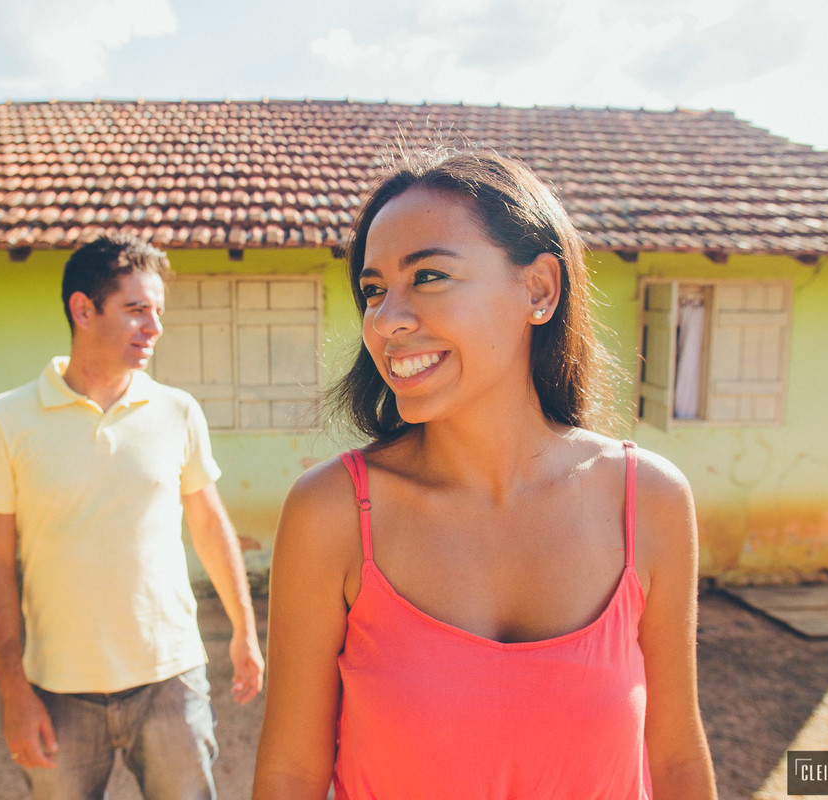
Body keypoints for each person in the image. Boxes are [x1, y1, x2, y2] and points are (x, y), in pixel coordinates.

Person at [252, 149, 717, 799]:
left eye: (431, 277)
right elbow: (290, 776)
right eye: (373, 291)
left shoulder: (648, 501)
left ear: (540, 290)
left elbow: (674, 763)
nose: (387, 321)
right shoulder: (332, 513)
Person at [0, 234, 263, 800]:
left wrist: (245, 631)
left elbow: (208, 523)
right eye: (135, 310)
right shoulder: (6, 420)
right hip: (57, 689)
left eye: (157, 312)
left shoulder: (177, 411)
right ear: (83, 309)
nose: (154, 327)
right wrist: (13, 692)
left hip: (170, 681)